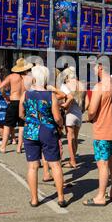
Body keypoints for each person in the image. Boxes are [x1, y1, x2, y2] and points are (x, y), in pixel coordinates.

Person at [19, 65, 66, 208]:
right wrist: (60, 125)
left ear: (33, 78)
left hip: (31, 131)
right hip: (48, 131)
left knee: (33, 166)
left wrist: (30, 120)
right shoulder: (50, 95)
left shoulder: (26, 94)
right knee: (55, 164)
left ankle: (34, 199)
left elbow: (21, 114)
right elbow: (57, 117)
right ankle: (61, 197)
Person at [83, 63, 112, 206]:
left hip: (102, 129)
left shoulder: (99, 87)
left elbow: (92, 110)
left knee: (102, 164)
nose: (92, 70)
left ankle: (100, 196)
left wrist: (90, 117)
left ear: (100, 67)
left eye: (93, 67)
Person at [0, 58, 32, 153]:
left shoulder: (12, 76)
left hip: (14, 101)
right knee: (22, 125)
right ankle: (19, 147)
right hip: (24, 102)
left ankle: (3, 147)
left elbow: (0, 87)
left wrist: (5, 96)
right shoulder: (29, 78)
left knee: (7, 125)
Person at [60, 67, 86, 168]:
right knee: (75, 137)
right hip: (79, 114)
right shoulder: (82, 85)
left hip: (69, 113)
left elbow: (65, 100)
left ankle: (72, 161)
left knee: (70, 138)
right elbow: (85, 103)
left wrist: (64, 110)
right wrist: (81, 110)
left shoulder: (65, 86)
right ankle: (73, 157)